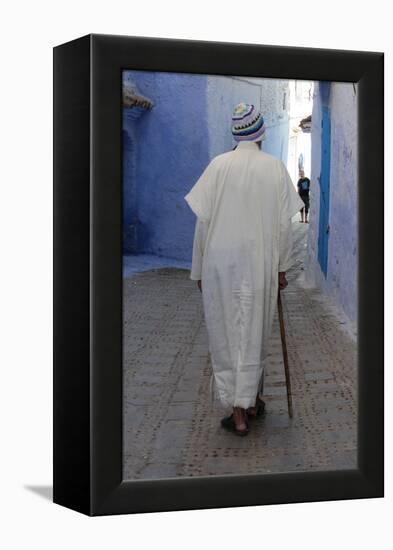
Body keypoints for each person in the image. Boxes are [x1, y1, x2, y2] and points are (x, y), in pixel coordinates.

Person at [184, 103, 303, 436]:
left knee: (225, 333)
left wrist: (199, 270)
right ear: (261, 134)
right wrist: (281, 268)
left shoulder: (217, 166)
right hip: (258, 263)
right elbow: (283, 225)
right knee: (253, 332)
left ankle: (242, 408)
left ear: (236, 135)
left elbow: (202, 224)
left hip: (220, 264)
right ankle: (246, 404)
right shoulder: (275, 168)